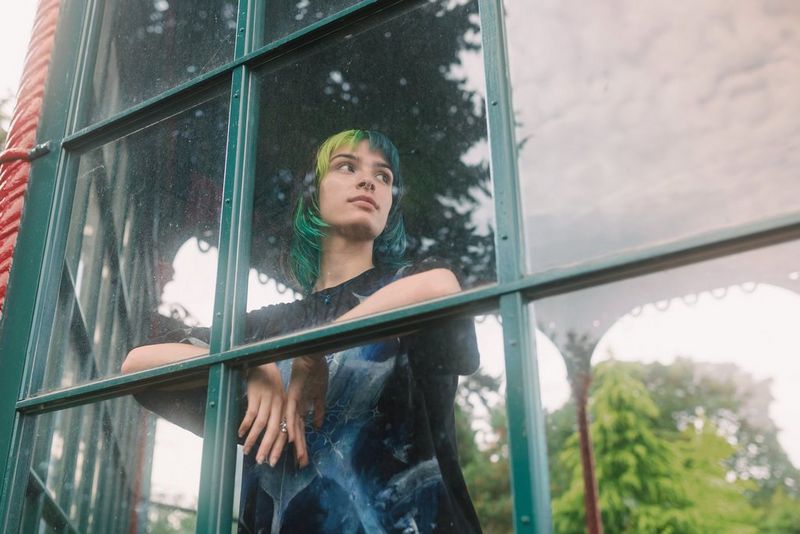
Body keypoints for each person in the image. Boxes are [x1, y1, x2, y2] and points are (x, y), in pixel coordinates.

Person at [123, 129, 482, 533]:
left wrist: (315, 349)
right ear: (313, 196)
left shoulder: (411, 283)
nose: (369, 181)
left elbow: (442, 287)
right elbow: (138, 365)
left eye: (383, 177)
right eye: (347, 167)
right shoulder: (265, 326)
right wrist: (250, 364)